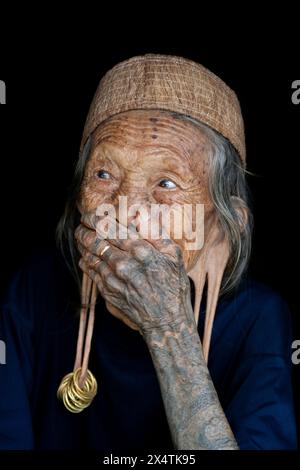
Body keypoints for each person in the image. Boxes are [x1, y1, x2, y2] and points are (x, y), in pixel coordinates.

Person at [0, 54, 297, 450]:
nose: (124, 210)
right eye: (104, 174)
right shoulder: (34, 290)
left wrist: (168, 326)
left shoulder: (258, 319)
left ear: (226, 223)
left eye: (166, 183)